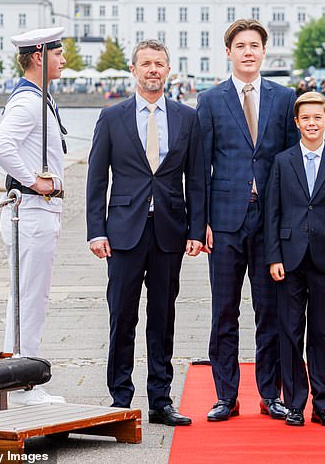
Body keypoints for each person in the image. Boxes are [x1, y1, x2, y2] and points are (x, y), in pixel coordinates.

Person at [86, 39, 205, 426]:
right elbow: (95, 178)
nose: (153, 69)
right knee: (122, 315)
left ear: (169, 71)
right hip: (122, 232)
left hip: (170, 230)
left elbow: (197, 179)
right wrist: (95, 231)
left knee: (163, 316)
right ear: (133, 71)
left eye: (160, 64)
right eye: (146, 64)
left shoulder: (187, 118)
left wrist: (196, 229)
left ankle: (160, 399)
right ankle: (120, 397)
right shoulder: (112, 117)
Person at [197, 19, 299, 422]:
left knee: (269, 310)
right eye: (241, 45)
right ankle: (226, 395)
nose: (248, 52)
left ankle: (269, 393)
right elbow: (200, 166)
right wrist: (199, 222)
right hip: (223, 222)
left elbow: (292, 166)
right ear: (229, 52)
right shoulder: (210, 100)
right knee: (223, 311)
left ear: (264, 51)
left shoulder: (284, 97)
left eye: (255, 45)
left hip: (270, 223)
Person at [265, 92, 325, 427]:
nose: (312, 123)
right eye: (306, 118)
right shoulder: (282, 161)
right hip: (288, 259)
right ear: (297, 123)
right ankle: (294, 403)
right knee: (290, 332)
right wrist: (273, 256)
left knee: (320, 332)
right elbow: (271, 212)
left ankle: (322, 402)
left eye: (318, 118)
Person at [0, 27, 68, 406]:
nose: (63, 59)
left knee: (22, 299)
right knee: (30, 300)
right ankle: (23, 388)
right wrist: (35, 181)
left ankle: (13, 380)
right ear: (39, 56)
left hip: (34, 213)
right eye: (58, 53)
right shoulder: (27, 101)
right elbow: (1, 146)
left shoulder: (38, 98)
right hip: (33, 212)